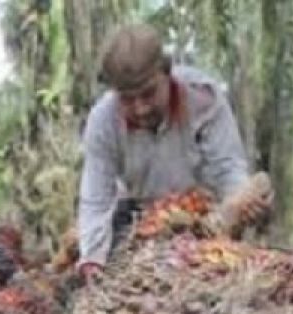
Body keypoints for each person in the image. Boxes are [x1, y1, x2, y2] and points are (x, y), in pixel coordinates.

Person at [75, 24, 272, 277]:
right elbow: (96, 199)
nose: (140, 109)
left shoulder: (204, 98)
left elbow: (228, 168)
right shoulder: (103, 122)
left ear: (167, 73)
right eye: (127, 99)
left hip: (204, 216)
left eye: (148, 94)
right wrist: (92, 258)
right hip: (142, 222)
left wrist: (241, 206)